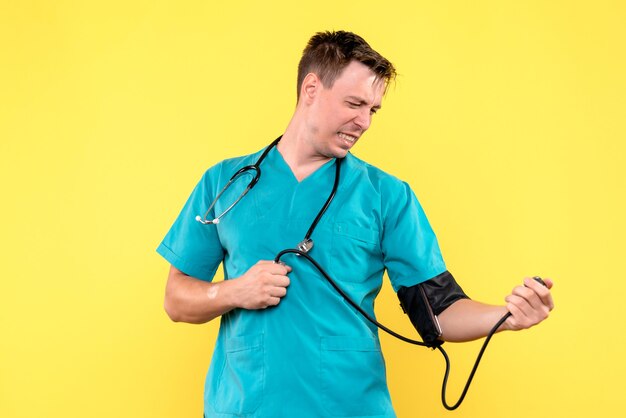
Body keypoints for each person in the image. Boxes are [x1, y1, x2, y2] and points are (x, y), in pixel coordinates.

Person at [157, 30, 554, 418]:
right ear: (311, 89)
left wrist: (506, 318)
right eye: (354, 104)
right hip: (245, 407)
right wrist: (235, 291)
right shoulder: (228, 181)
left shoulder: (387, 196)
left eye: (373, 110)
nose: (364, 122)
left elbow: (438, 311)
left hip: (350, 407)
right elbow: (177, 299)